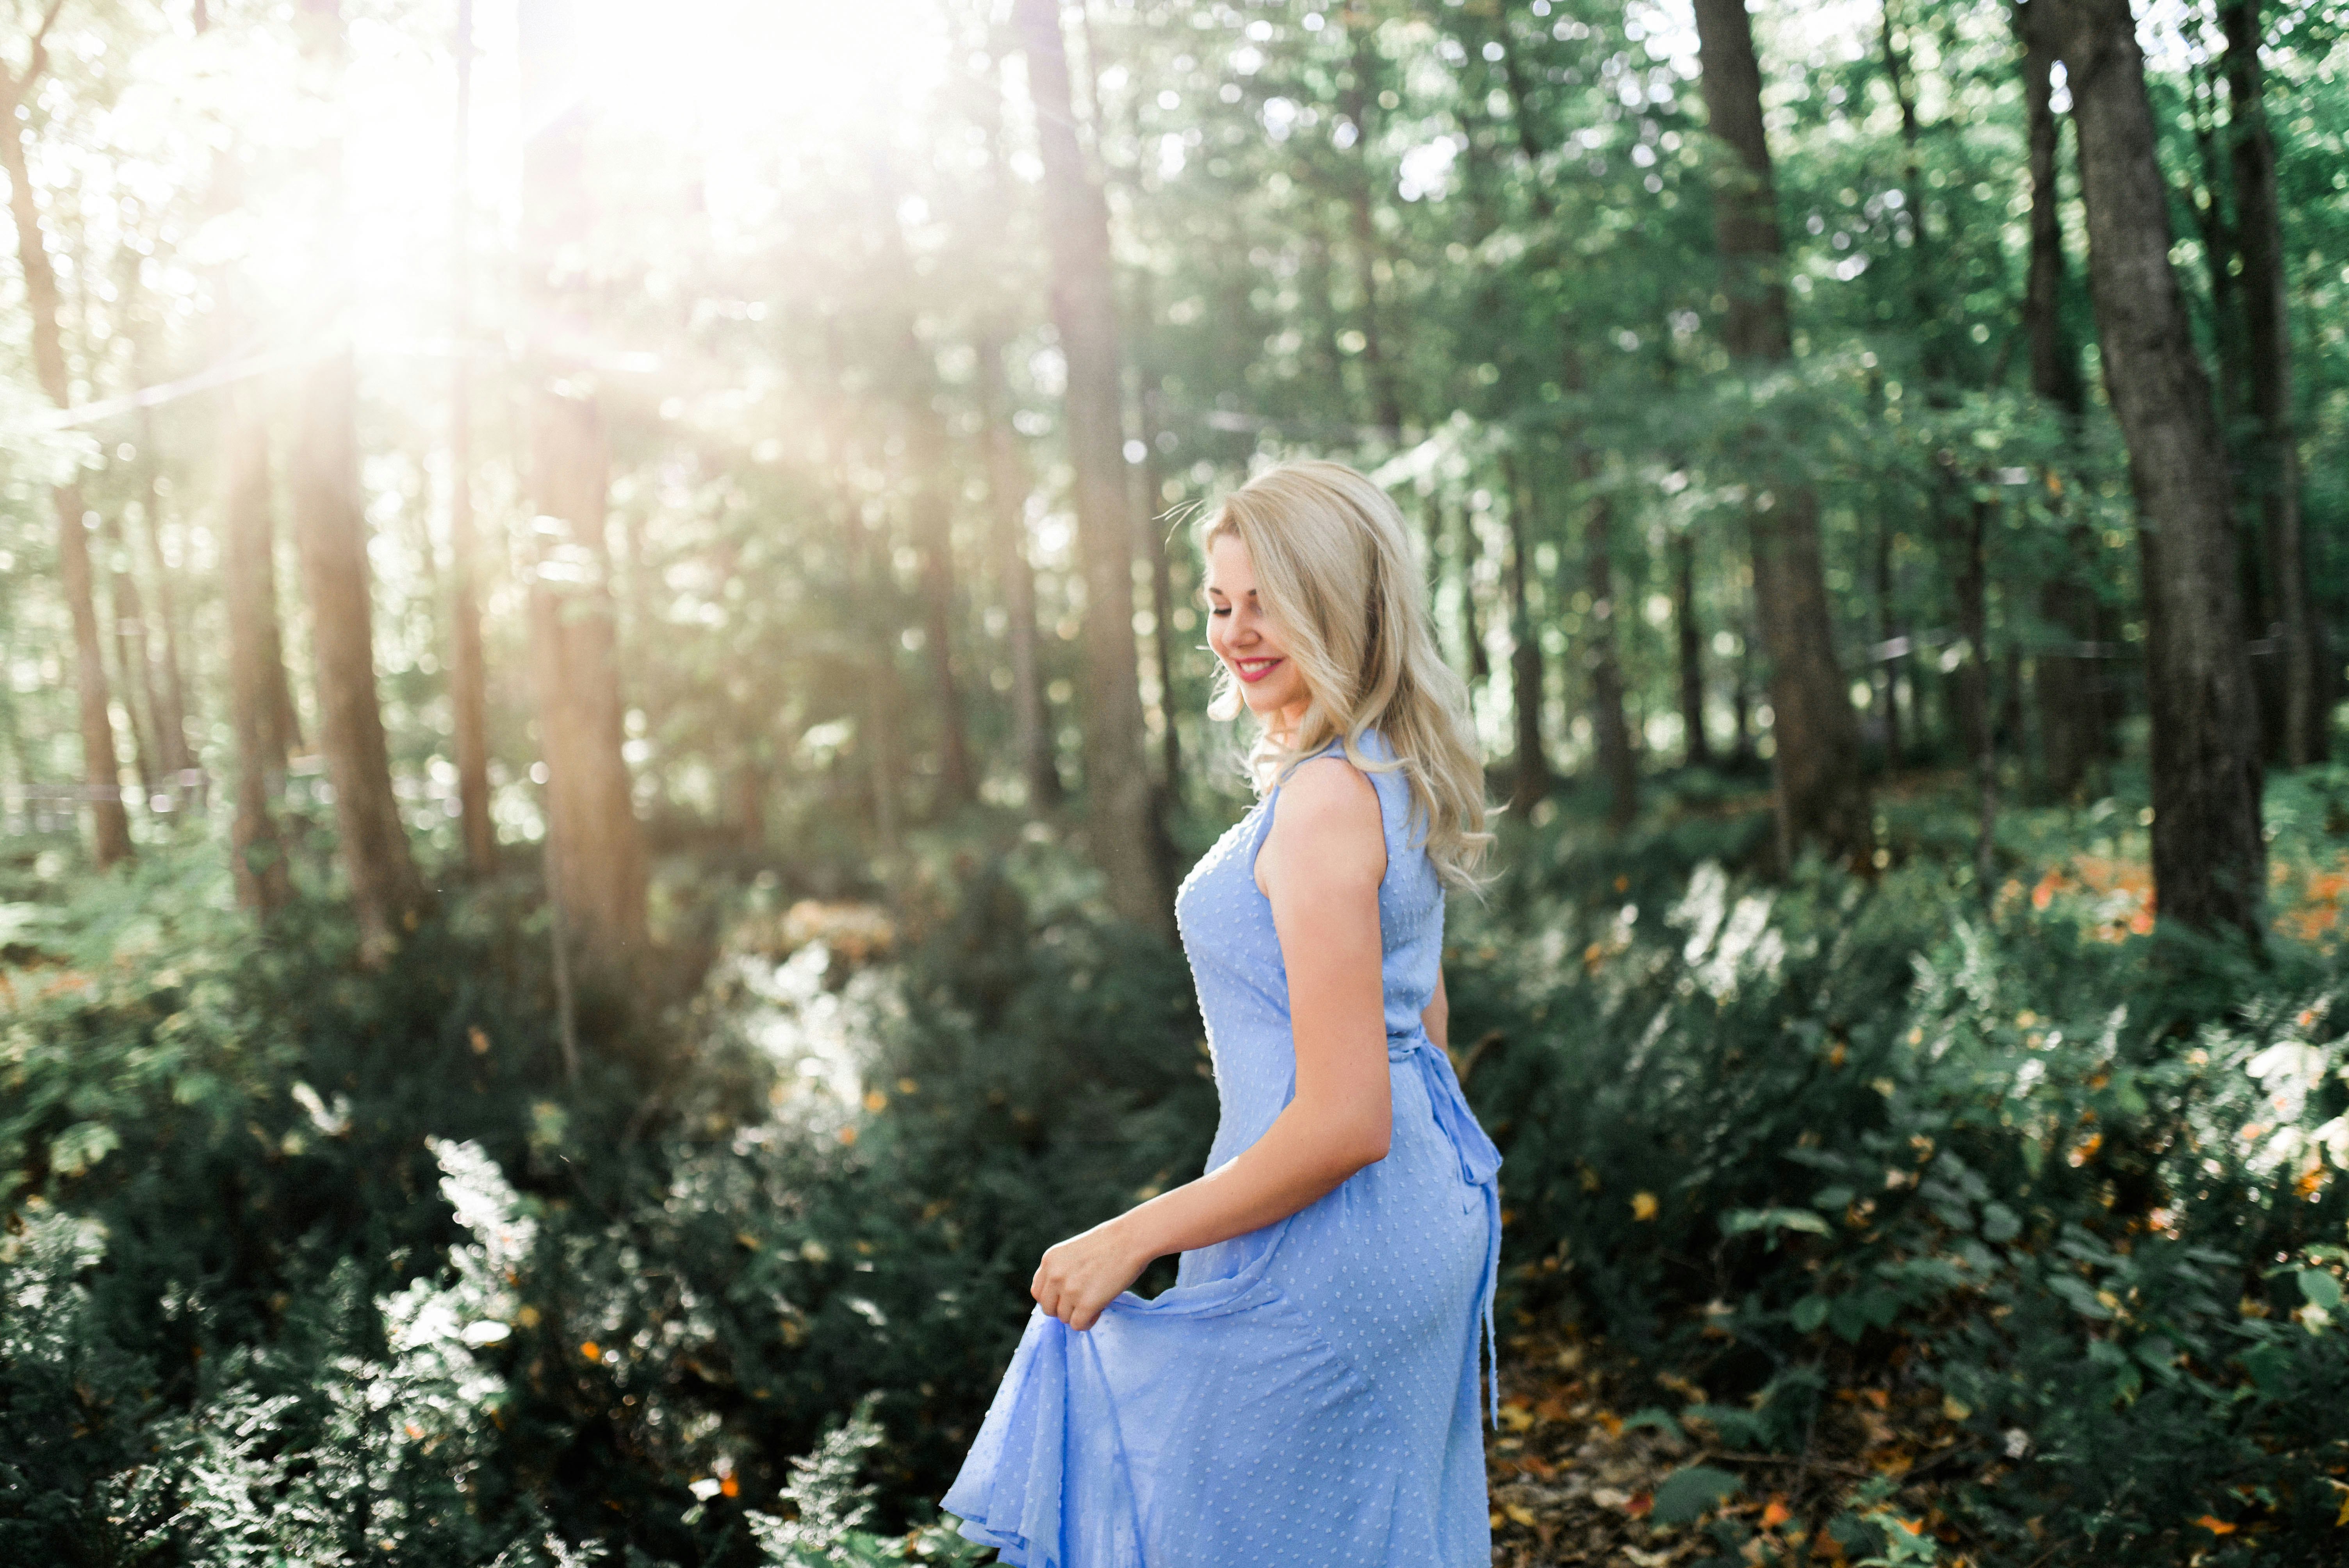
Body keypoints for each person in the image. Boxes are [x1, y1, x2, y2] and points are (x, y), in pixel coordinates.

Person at [940, 459, 1502, 1567]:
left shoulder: (1330, 801)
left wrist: (1131, 1235)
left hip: (1332, 1245)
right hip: (1400, 1217)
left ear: (1339, 605)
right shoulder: (1384, 769)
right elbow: (1420, 1016)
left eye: (1268, 604)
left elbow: (1349, 1120)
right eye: (1220, 606)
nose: (1238, 634)